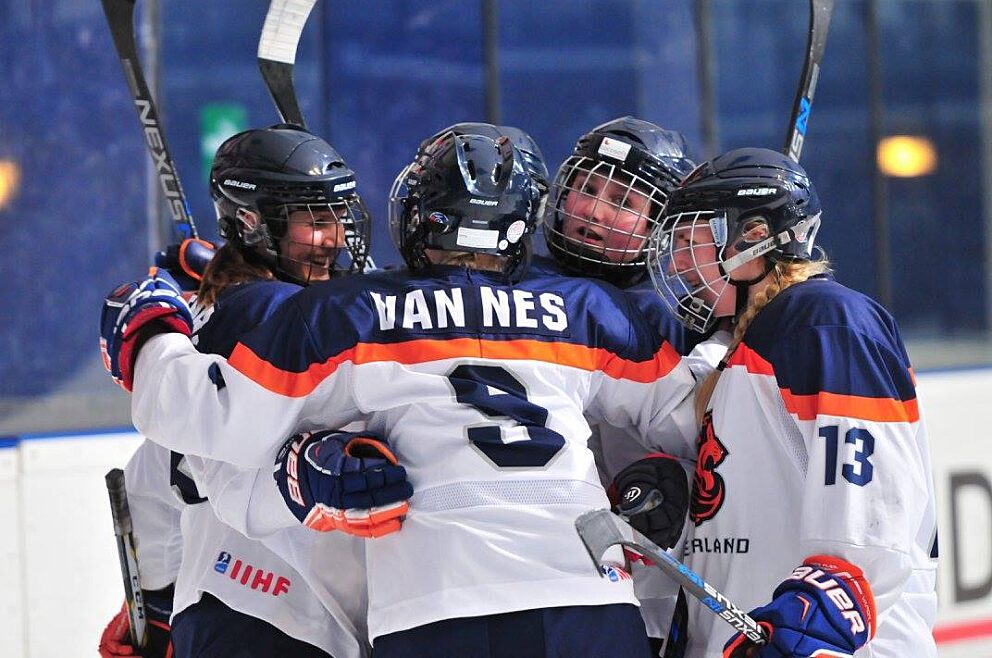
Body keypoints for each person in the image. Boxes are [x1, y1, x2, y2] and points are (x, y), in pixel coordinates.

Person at [98, 123, 702, 657]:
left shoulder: (350, 311)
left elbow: (201, 424)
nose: (596, 213)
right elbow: (702, 424)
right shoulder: (592, 311)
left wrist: (149, 329)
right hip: (587, 593)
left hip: (430, 602)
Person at [647, 147, 938, 657]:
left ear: (752, 238)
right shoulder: (742, 350)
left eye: (690, 238)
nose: (678, 261)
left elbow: (872, 512)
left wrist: (817, 624)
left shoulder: (827, 321)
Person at [99, 123, 374, 658]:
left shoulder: (216, 321)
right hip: (270, 610)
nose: (335, 237)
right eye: (313, 220)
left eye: (336, 215)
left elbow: (151, 484)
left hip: (232, 598)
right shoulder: (303, 318)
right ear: (252, 221)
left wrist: (158, 607)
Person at [543, 116, 725, 658]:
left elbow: (728, 441)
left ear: (663, 224)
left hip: (644, 588)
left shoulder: (693, 316)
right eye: (587, 189)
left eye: (623, 201)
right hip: (524, 568)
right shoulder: (513, 287)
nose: (594, 213)